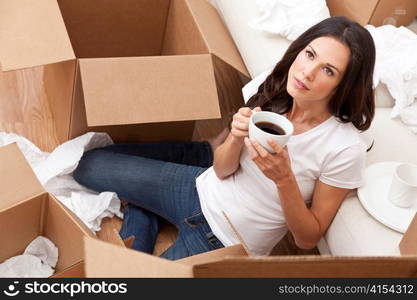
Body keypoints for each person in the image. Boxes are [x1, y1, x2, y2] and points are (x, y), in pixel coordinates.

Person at [73, 16, 375, 259]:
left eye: (327, 70)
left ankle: (141, 224)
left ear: (343, 86)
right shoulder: (277, 90)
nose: (307, 72)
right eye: (309, 54)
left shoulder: (344, 149)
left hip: (224, 241)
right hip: (196, 189)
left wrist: (285, 180)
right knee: (88, 165)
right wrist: (234, 136)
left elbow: (307, 238)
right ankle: (148, 215)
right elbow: (221, 169)